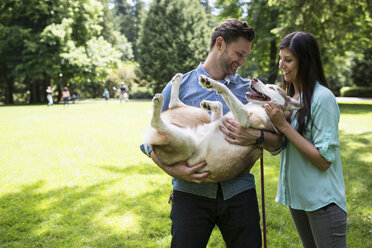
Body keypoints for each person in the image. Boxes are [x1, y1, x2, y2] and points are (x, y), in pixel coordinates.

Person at [141, 19, 283, 248]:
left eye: (245, 55)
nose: (242, 61)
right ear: (220, 44)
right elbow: (147, 141)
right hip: (190, 195)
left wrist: (258, 137)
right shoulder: (182, 84)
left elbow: (279, 143)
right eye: (239, 54)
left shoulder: (251, 91)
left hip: (240, 193)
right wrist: (173, 169)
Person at [263, 31, 347, 247]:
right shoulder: (291, 99)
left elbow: (323, 160)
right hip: (299, 200)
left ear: (306, 61)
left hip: (322, 202)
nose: (282, 65)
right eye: (281, 58)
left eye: (289, 60)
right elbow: (283, 145)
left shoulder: (323, 99)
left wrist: (283, 125)